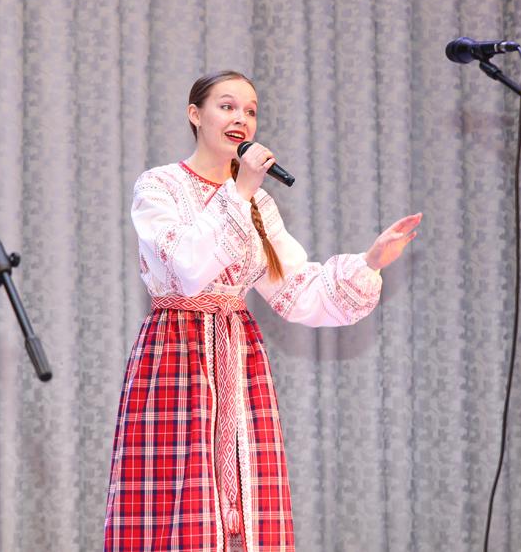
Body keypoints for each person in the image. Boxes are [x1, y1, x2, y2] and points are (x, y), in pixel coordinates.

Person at [104, 70, 421, 552]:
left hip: (238, 357)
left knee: (249, 500)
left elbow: (297, 291)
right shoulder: (159, 186)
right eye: (227, 106)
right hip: (176, 356)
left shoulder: (258, 202)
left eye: (250, 111)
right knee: (174, 502)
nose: (241, 119)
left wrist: (371, 260)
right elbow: (187, 267)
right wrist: (240, 191)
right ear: (195, 115)